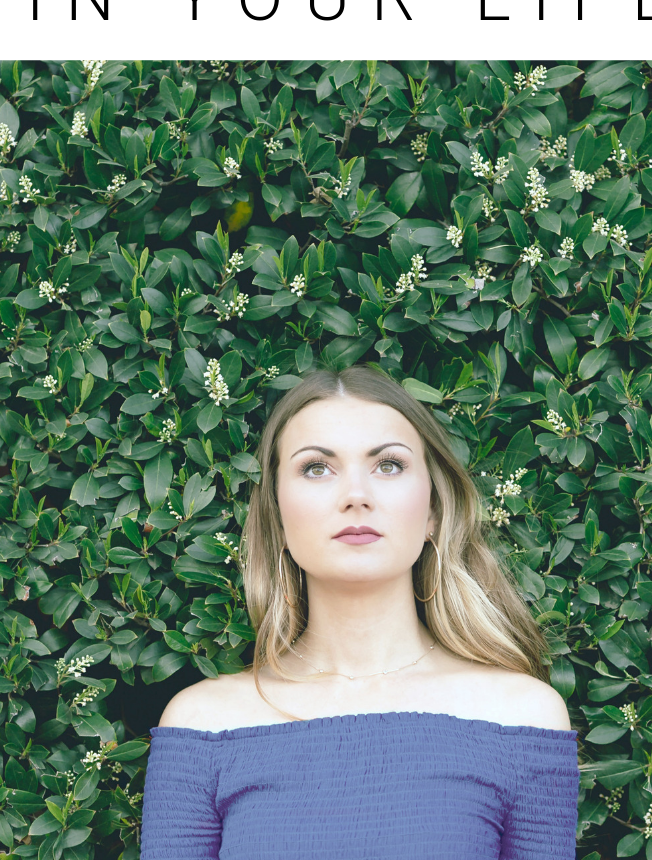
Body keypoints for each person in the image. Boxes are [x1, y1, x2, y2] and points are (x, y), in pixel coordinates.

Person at [139, 364, 579, 859]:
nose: (355, 496)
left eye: (388, 465)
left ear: (433, 510)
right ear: (277, 518)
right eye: (316, 468)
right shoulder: (203, 725)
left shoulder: (523, 716)